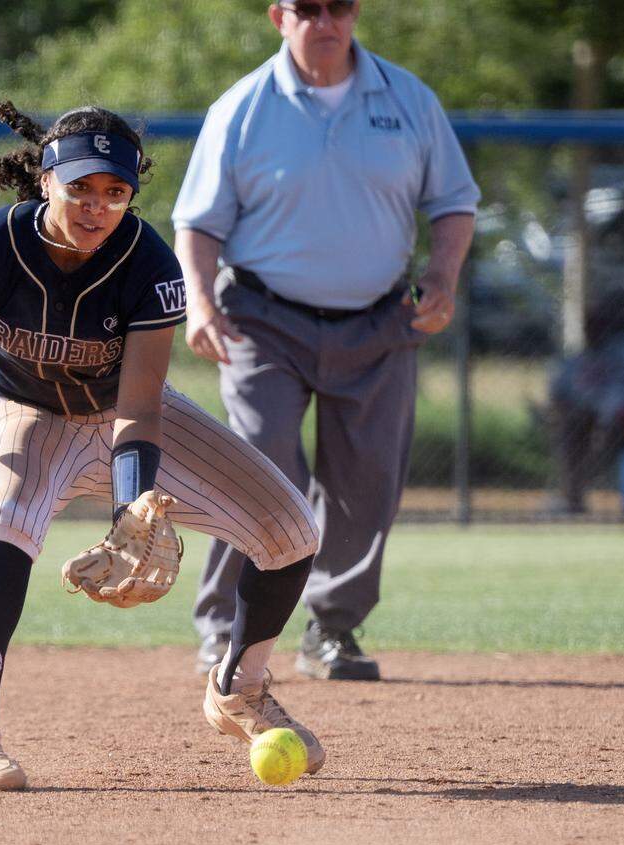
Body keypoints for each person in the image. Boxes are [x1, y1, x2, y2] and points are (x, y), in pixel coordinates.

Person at [0, 100, 326, 791]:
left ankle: (238, 690)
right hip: (24, 415)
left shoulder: (148, 264)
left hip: (122, 420)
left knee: (291, 530)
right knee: (4, 524)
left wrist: (136, 508)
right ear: (45, 181)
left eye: (115, 192)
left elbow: (138, 409)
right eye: (81, 188)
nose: (98, 207)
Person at [173, 1, 479, 680]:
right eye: (306, 8)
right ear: (278, 16)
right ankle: (227, 627)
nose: (324, 21)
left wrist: (441, 275)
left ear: (356, 12)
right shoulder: (244, 106)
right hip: (263, 318)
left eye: (337, 5)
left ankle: (332, 630)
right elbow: (197, 223)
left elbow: (455, 202)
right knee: (260, 463)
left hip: (378, 318)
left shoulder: (408, 99)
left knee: (365, 482)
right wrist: (198, 302)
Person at [550, 288, 624, 515]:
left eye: (600, 321)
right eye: (590, 322)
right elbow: (559, 395)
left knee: (611, 426)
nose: (592, 327)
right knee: (575, 425)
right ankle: (573, 499)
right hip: (590, 422)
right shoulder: (579, 360)